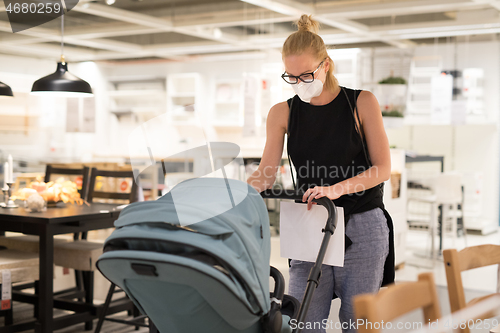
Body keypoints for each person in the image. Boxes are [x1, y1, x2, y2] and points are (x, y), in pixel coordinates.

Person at [246, 14, 394, 333]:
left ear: (325, 65)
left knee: (358, 323)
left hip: (362, 224)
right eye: (291, 77)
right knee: (302, 322)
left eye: (306, 74)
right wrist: (233, 195)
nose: (300, 82)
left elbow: (382, 168)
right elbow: (266, 173)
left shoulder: (361, 103)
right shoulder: (282, 112)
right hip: (310, 224)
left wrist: (337, 189)